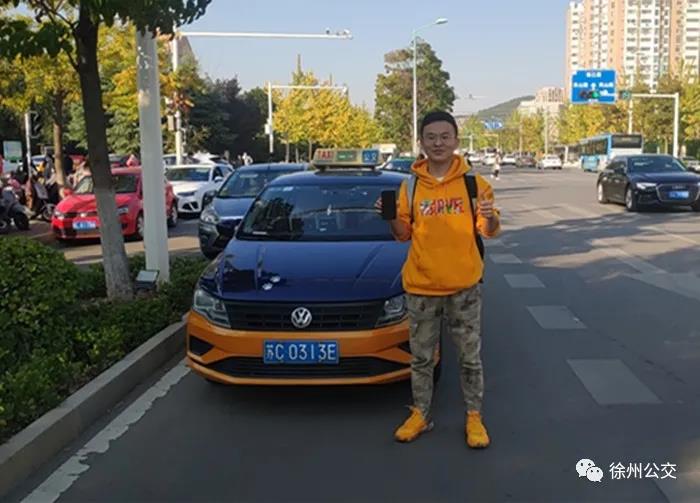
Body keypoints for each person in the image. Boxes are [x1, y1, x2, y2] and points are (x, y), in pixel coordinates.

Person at [376, 110, 501, 448]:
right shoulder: (411, 185)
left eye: (445, 136)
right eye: (431, 137)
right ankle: (420, 413)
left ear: (456, 140)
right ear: (421, 142)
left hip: (464, 287)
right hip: (421, 287)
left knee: (469, 358)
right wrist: (390, 217)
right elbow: (402, 234)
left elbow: (488, 231)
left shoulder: (474, 185)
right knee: (421, 359)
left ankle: (474, 416)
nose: (438, 143)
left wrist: (489, 218)